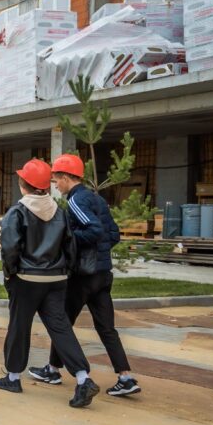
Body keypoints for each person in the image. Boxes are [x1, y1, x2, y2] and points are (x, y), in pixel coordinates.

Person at [30, 154, 141, 397]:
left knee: (61, 323)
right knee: (107, 328)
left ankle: (52, 370)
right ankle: (125, 377)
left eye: (57, 180)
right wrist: (100, 254)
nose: (56, 186)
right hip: (102, 274)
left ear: (67, 178)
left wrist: (67, 239)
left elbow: (93, 230)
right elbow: (112, 235)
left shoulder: (76, 201)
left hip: (83, 276)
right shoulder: (96, 199)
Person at [0, 159, 100, 408]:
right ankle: (83, 378)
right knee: (61, 328)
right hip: (56, 279)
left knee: (19, 327)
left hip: (26, 279)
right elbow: (70, 246)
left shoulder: (17, 212)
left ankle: (12, 377)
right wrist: (65, 270)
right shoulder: (59, 211)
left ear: (24, 185)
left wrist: (11, 273)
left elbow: (10, 248)